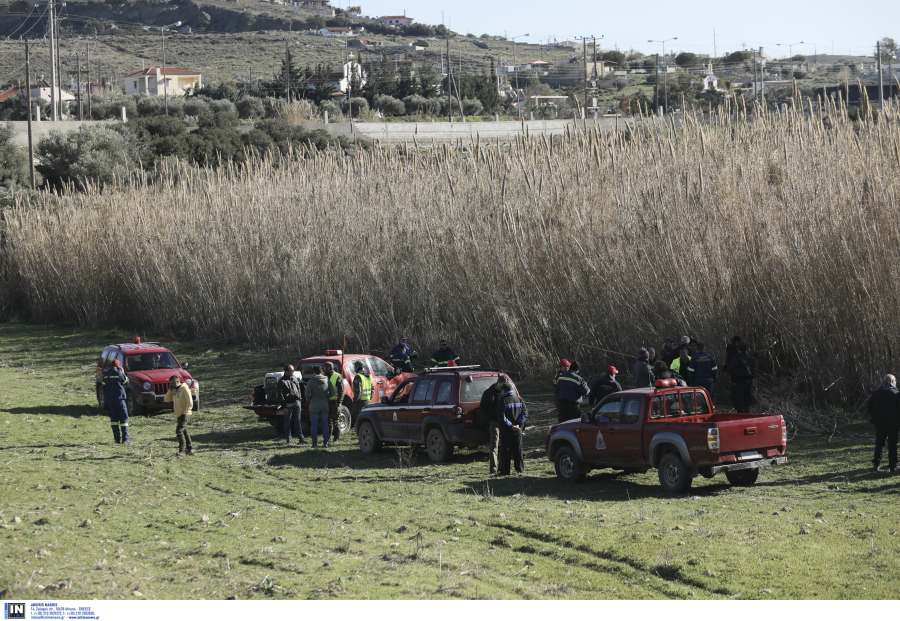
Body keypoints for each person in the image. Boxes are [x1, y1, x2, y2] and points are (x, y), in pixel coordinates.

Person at [867, 374, 900, 472]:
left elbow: (869, 408)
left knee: (879, 444)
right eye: (895, 381)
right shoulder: (896, 394)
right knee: (892, 445)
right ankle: (893, 466)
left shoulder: (876, 393)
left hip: (879, 423)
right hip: (893, 424)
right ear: (892, 382)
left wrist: (876, 416)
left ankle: (876, 465)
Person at [495, 382, 527, 475]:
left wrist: (510, 426)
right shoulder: (519, 399)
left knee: (506, 451)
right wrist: (518, 424)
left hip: (507, 431)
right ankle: (520, 469)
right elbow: (524, 414)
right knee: (518, 451)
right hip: (518, 430)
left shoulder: (503, 400)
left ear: (503, 390)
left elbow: (501, 416)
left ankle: (505, 471)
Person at [479, 375, 507, 475]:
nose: (503, 387)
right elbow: (482, 408)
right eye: (502, 385)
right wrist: (490, 419)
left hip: (504, 422)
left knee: (504, 445)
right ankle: (493, 468)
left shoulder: (505, 393)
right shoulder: (488, 392)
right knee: (494, 445)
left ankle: (503, 468)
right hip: (494, 422)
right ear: (498, 381)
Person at [102, 359, 130, 444]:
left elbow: (103, 387)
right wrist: (123, 373)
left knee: (114, 420)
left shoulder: (106, 374)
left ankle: (117, 439)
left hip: (110, 400)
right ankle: (125, 439)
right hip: (120, 400)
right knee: (123, 419)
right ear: (118, 365)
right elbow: (126, 383)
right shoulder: (119, 373)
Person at [165, 375, 194, 457]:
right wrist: (170, 391)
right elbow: (167, 400)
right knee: (184, 431)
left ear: (178, 382)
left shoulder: (184, 389)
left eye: (172, 383)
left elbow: (190, 402)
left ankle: (182, 451)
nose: (171, 385)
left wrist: (185, 413)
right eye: (170, 383)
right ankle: (190, 449)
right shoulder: (174, 390)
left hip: (184, 414)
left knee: (179, 431)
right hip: (178, 414)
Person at [306, 365, 335, 447]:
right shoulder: (327, 380)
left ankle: (314, 443)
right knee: (325, 424)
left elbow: (307, 394)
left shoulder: (311, 381)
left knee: (314, 425)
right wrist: (326, 397)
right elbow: (333, 392)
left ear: (314, 372)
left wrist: (310, 398)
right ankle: (325, 442)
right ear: (321, 371)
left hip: (314, 405)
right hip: (324, 405)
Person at [278, 364, 305, 445]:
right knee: (287, 422)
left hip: (297, 403)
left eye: (293, 370)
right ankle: (288, 438)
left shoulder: (294, 378)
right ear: (286, 371)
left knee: (298, 421)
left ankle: (301, 438)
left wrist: (300, 400)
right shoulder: (281, 381)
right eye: (292, 370)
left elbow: (298, 389)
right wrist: (284, 407)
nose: (293, 372)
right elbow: (280, 395)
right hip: (288, 405)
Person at [725, 343, 755, 412]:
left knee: (737, 398)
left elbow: (733, 370)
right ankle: (746, 411)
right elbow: (753, 368)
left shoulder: (736, 358)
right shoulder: (750, 358)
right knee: (747, 396)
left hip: (740, 379)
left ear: (738, 349)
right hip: (749, 379)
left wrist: (733, 380)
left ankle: (740, 413)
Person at [324, 362, 345, 443]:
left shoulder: (337, 376)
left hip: (335, 402)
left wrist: (339, 402)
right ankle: (329, 437)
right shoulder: (324, 376)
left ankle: (336, 437)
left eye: (325, 367)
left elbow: (341, 390)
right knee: (327, 420)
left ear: (329, 368)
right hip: (326, 402)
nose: (323, 369)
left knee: (335, 420)